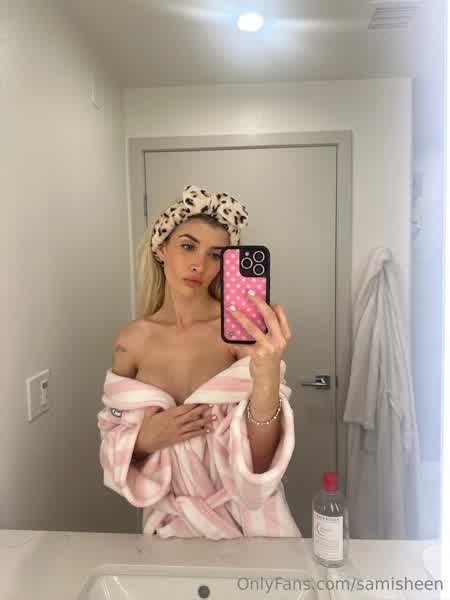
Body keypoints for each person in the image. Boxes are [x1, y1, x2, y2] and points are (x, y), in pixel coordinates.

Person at [98, 184, 301, 538]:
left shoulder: (240, 333)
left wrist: (268, 376)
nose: (199, 265)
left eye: (216, 255)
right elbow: (112, 440)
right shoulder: (132, 341)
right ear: (161, 249)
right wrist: (145, 439)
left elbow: (262, 461)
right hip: (171, 530)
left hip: (246, 522)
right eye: (188, 246)